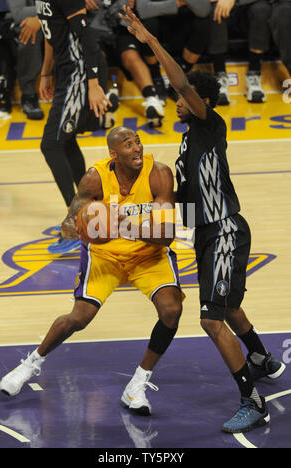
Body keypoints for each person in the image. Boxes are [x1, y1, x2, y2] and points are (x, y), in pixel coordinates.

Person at [119, 5, 286, 433]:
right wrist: (144, 217)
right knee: (226, 306)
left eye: (184, 96)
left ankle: (253, 401)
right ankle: (262, 358)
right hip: (210, 234)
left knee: (211, 318)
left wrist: (151, 41)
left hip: (226, 230)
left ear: (200, 100)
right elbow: (185, 203)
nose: (177, 99)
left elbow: (179, 79)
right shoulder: (189, 141)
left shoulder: (209, 123)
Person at [0, 126, 184, 417]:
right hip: (105, 256)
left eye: (138, 142)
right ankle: (30, 364)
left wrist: (121, 225)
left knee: (171, 310)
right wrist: (87, 225)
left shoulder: (159, 173)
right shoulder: (95, 177)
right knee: (79, 317)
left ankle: (137, 383)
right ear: (113, 153)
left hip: (148, 254)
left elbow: (167, 234)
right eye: (128, 144)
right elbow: (69, 224)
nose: (136, 148)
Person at [36, 0, 118, 254]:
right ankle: (92, 212)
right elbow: (51, 34)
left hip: (80, 74)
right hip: (66, 71)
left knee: (50, 145)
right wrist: (46, 73)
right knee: (66, 142)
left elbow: (87, 37)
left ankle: (77, 221)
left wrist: (93, 85)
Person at [208, 0, 270, 105]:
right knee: (215, 10)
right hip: (221, 9)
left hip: (246, 9)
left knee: (261, 8)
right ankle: (220, 77)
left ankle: (254, 75)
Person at [6, 0, 44, 119]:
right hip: (21, 22)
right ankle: (28, 95)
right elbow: (18, 13)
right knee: (30, 30)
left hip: (53, 19)